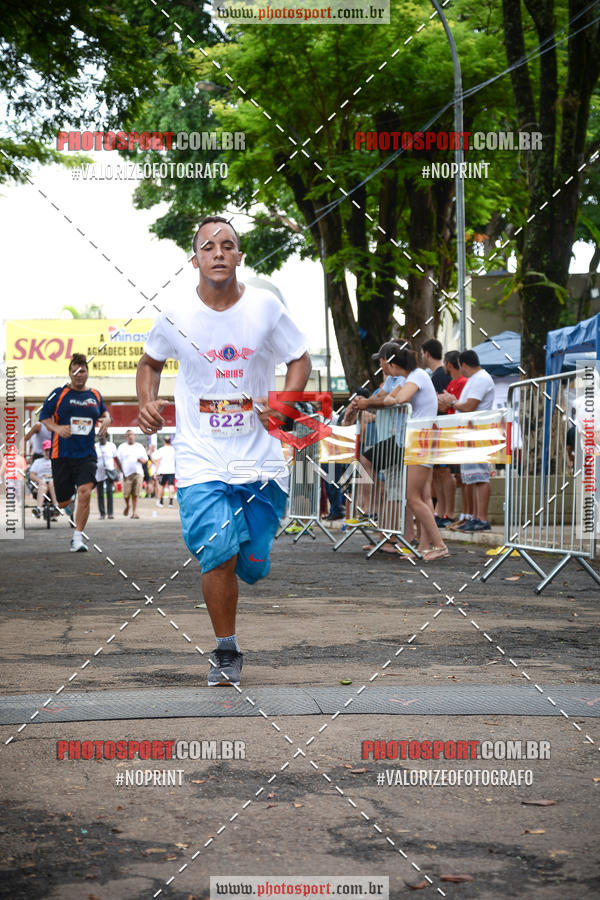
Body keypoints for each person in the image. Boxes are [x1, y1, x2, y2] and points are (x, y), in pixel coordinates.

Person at [136, 215, 310, 687]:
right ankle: (226, 649)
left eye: (228, 245)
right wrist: (147, 402)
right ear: (194, 259)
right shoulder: (174, 314)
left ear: (239, 257)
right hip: (199, 454)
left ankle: (255, 556)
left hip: (259, 457)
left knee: (250, 562)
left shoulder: (265, 308)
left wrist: (283, 408)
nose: (218, 252)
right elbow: (149, 362)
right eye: (208, 246)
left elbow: (299, 357)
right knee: (218, 550)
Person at [373, 345, 449, 561]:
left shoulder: (416, 376)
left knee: (412, 497)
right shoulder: (416, 375)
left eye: (386, 363)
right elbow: (391, 396)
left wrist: (389, 399)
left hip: (421, 440)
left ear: (394, 363)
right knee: (421, 496)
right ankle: (426, 546)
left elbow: (398, 399)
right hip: (420, 440)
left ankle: (440, 545)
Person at [40, 353, 111, 551]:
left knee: (85, 492)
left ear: (88, 373)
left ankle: (78, 538)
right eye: (75, 371)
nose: (79, 374)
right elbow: (43, 416)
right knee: (63, 503)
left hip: (86, 454)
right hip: (61, 454)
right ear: (70, 373)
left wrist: (107, 419)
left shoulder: (95, 395)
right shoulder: (59, 393)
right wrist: (57, 429)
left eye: (83, 370)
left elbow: (104, 413)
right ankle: (67, 504)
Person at [440, 349, 495, 532]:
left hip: (478, 432)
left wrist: (452, 402)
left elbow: (470, 406)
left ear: (463, 364)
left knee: (480, 477)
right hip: (469, 432)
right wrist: (453, 402)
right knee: (472, 478)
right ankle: (475, 517)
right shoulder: (475, 379)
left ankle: (482, 518)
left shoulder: (481, 378)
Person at [421, 338, 455, 529]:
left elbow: (445, 402)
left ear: (427, 353)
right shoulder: (434, 376)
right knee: (437, 473)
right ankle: (441, 510)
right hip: (434, 429)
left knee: (444, 472)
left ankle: (448, 511)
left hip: (443, 429)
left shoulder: (440, 375)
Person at [115, 430, 148, 519]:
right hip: (126, 474)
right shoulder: (122, 447)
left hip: (138, 473)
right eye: (128, 435)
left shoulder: (139, 446)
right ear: (126, 436)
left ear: (134, 436)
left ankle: (134, 512)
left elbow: (145, 459)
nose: (130, 436)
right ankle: (127, 505)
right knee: (126, 494)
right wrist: (117, 472)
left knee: (136, 494)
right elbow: (117, 460)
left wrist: (141, 460)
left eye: (132, 435)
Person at [28, 440, 58, 515]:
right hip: (40, 484)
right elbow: (31, 475)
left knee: (51, 482)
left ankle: (56, 506)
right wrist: (39, 480)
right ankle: (39, 509)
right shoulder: (38, 461)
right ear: (43, 451)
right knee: (43, 484)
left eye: (49, 450)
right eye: (46, 450)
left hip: (54, 484)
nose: (48, 452)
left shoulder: (57, 461)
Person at [95, 432, 118, 519]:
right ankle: (102, 514)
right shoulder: (95, 446)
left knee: (109, 492)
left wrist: (119, 470)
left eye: (102, 436)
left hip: (109, 471)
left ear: (107, 436)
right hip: (99, 472)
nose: (101, 437)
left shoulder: (111, 446)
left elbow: (116, 458)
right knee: (100, 493)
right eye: (99, 436)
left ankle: (110, 513)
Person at [154, 436, 176, 507]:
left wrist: (156, 472)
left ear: (164, 441)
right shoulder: (174, 450)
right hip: (172, 470)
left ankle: (161, 502)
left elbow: (158, 461)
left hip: (163, 471)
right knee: (171, 486)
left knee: (161, 486)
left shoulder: (161, 450)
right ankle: (171, 503)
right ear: (170, 441)